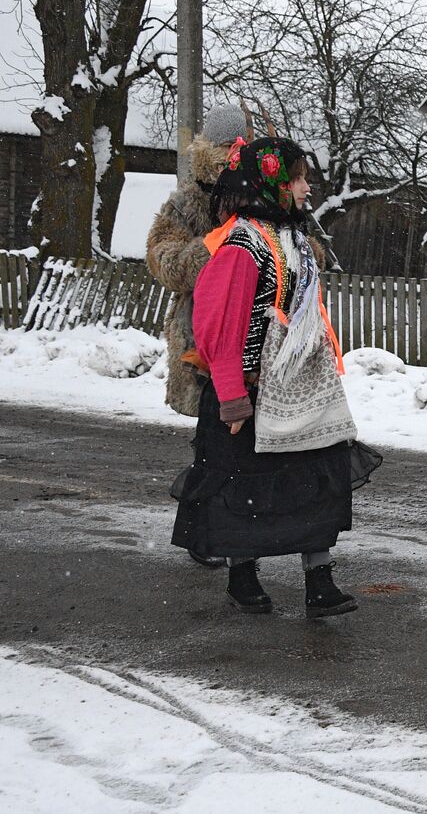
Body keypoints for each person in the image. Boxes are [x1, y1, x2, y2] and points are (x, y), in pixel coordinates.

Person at [169, 136, 380, 617]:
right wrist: (232, 398)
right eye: (298, 178)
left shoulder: (294, 238)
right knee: (247, 489)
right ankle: (243, 576)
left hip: (301, 388)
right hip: (250, 391)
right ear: (270, 183)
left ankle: (320, 582)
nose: (307, 187)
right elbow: (218, 325)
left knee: (315, 483)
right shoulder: (242, 244)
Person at [146, 104, 247, 568]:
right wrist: (210, 256)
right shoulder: (187, 201)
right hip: (200, 336)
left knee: (241, 438)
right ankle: (204, 532)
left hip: (251, 332)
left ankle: (233, 530)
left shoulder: (260, 191)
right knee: (213, 437)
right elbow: (161, 257)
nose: (233, 156)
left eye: (240, 147)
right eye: (227, 147)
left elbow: (304, 245)